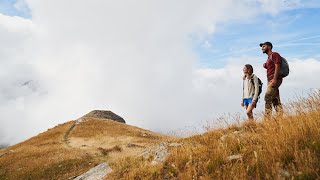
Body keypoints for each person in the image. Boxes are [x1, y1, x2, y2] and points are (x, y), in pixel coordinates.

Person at [260, 42, 283, 119]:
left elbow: (277, 66)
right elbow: (270, 67)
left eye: (264, 46)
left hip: (274, 79)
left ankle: (267, 120)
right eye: (262, 47)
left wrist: (275, 79)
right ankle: (280, 118)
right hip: (270, 79)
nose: (262, 48)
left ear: (269, 47)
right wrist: (265, 65)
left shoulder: (275, 54)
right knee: (275, 100)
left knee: (267, 97)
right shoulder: (269, 58)